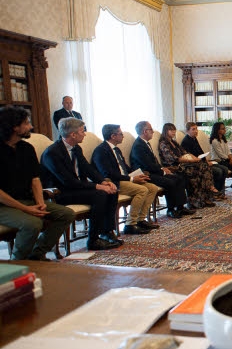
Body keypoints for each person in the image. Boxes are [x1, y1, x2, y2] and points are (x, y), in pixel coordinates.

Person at [0, 106, 75, 260]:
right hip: (3, 206)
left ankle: (36, 255)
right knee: (32, 223)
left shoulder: (27, 148)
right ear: (14, 127)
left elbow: (35, 179)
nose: (31, 127)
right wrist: (26, 209)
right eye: (27, 123)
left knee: (66, 214)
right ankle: (18, 264)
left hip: (28, 199)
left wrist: (40, 203)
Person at [41, 117, 121, 251]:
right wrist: (98, 186)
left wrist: (104, 182)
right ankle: (93, 240)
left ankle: (107, 232)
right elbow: (67, 181)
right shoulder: (52, 153)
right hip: (61, 193)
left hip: (77, 188)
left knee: (112, 191)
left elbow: (87, 169)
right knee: (100, 195)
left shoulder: (76, 148)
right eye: (82, 131)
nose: (84, 134)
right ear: (73, 134)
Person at [91, 124, 160, 235]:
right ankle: (130, 224)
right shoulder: (101, 151)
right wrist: (132, 179)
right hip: (114, 182)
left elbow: (125, 168)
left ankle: (140, 220)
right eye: (121, 134)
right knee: (142, 190)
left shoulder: (116, 149)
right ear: (113, 136)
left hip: (125, 179)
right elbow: (108, 173)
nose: (123, 136)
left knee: (152, 187)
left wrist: (138, 175)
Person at [130, 121, 192, 219]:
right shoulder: (138, 146)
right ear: (145, 131)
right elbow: (147, 165)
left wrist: (162, 168)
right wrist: (162, 171)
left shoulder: (145, 143)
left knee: (179, 178)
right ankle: (170, 209)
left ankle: (180, 207)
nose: (153, 131)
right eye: (151, 129)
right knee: (169, 182)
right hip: (146, 174)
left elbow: (153, 162)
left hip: (154, 171)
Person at [158, 123, 217, 209]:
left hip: (183, 164)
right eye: (171, 130)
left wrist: (194, 158)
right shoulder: (163, 144)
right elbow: (174, 159)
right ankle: (195, 200)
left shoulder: (173, 142)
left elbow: (185, 152)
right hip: (173, 166)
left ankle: (204, 197)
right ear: (166, 131)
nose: (174, 132)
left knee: (203, 166)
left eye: (174, 130)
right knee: (197, 170)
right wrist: (191, 160)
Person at [181, 122, 227, 198]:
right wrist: (204, 163)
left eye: (196, 129)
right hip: (196, 165)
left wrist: (206, 161)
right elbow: (190, 157)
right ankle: (214, 193)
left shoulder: (194, 139)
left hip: (202, 162)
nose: (196, 131)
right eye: (193, 129)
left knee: (224, 169)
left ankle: (220, 192)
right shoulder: (186, 141)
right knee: (218, 171)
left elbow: (200, 152)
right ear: (187, 131)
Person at [209, 121, 232, 191]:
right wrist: (231, 159)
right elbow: (221, 155)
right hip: (218, 161)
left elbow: (228, 151)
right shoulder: (214, 141)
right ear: (217, 130)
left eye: (224, 128)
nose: (225, 130)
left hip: (226, 160)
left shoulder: (223, 139)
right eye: (222, 129)